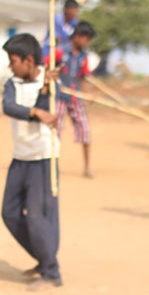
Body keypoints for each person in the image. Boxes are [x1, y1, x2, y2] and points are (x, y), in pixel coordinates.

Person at [0, 33, 62, 289]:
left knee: (38, 216)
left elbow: (49, 109)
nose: (10, 65)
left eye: (13, 60)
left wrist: (46, 88)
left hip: (43, 157)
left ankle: (51, 271)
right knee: (10, 213)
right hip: (20, 158)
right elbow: (8, 107)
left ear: (28, 60)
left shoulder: (49, 83)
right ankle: (43, 256)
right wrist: (35, 111)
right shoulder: (11, 83)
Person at [47, 21, 95, 178]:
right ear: (79, 37)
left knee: (85, 131)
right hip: (59, 96)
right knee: (55, 132)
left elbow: (83, 77)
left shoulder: (83, 56)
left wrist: (87, 94)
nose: (86, 43)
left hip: (75, 97)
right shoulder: (60, 52)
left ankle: (87, 168)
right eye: (86, 39)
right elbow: (46, 66)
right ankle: (52, 167)